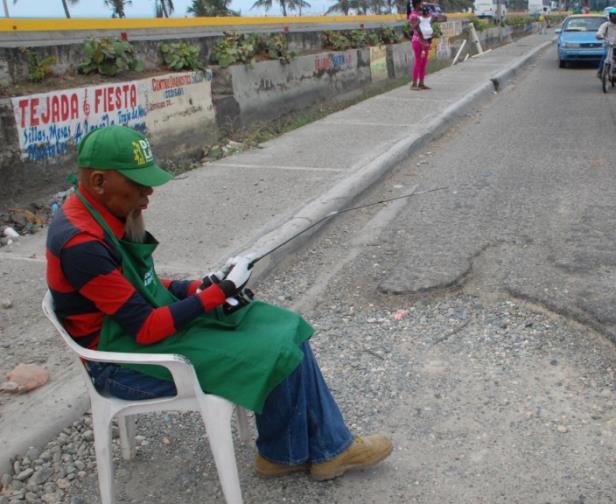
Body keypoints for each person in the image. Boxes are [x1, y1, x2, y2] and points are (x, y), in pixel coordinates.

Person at [46, 125, 392, 482]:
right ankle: (324, 451)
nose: (148, 195)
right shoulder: (81, 243)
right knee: (270, 348)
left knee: (284, 326)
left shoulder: (98, 212)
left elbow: (133, 283)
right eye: (138, 186)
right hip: (123, 365)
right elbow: (146, 328)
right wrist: (218, 291)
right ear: (99, 181)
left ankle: (291, 453)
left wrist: (195, 287)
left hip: (133, 332)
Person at [408, 0, 433, 90]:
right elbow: (412, 27)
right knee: (418, 62)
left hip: (425, 41)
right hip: (418, 41)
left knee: (423, 63)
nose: (423, 5)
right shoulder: (413, 15)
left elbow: (428, 24)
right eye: (421, 4)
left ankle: (421, 83)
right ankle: (414, 84)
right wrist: (421, 18)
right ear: (417, 5)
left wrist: (427, 16)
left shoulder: (424, 14)